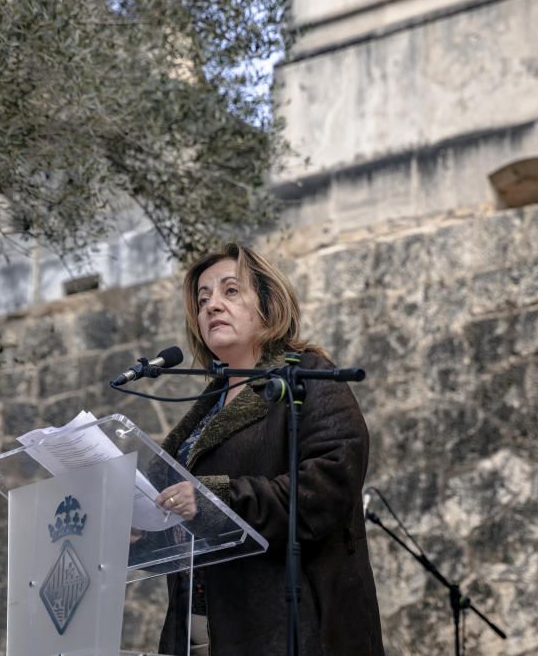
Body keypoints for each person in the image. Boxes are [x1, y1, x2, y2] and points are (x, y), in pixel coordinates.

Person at [152, 243, 384, 656]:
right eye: (202, 299)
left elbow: (327, 485)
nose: (211, 306)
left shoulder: (308, 377)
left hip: (289, 629)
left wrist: (213, 499)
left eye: (230, 291)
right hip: (201, 633)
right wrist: (140, 523)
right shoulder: (205, 410)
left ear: (269, 305)